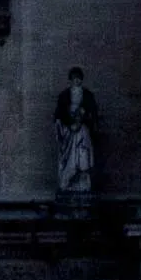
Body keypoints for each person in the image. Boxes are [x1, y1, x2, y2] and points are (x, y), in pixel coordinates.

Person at [54, 67, 100, 200]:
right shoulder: (64, 95)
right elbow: (59, 114)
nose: (77, 81)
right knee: (69, 158)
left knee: (83, 154)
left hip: (83, 130)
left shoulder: (88, 95)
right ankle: (67, 182)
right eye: (74, 79)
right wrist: (69, 123)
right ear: (70, 81)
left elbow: (93, 114)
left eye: (79, 79)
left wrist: (83, 118)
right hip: (69, 131)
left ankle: (83, 182)